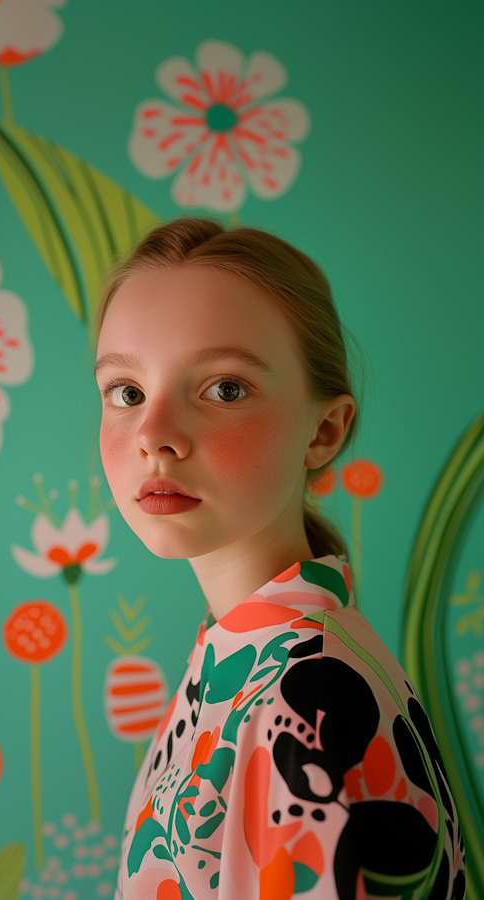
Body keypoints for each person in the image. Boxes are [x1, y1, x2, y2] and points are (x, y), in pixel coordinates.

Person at [94, 218, 465, 900]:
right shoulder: (245, 655)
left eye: (224, 388)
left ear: (324, 431)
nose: (154, 437)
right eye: (127, 392)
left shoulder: (305, 699)